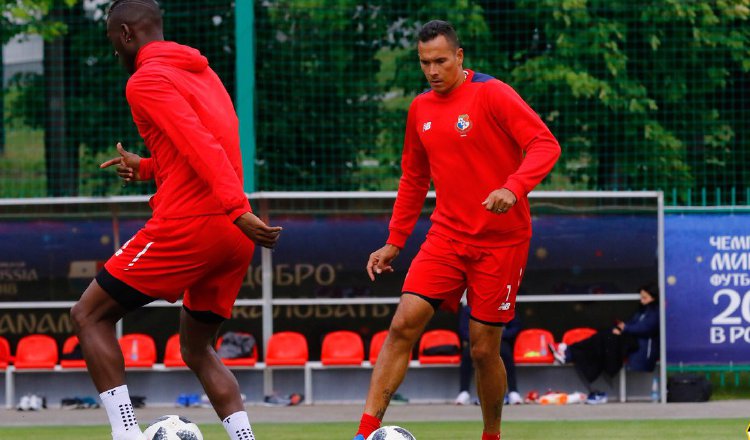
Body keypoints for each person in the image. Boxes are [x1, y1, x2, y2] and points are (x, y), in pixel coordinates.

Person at [69, 1, 282, 440]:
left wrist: (236, 207)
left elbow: (202, 146)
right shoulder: (202, 72)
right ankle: (245, 438)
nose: (113, 51)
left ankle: (127, 434)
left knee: (88, 315)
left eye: (112, 40)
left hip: (196, 223)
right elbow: (201, 145)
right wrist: (146, 167)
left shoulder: (144, 80)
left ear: (127, 34)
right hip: (231, 235)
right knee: (197, 346)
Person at [354, 20, 560, 440]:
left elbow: (545, 144)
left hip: (501, 242)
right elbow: (413, 178)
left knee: (483, 348)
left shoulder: (492, 94)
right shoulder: (420, 109)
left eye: (440, 61)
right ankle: (364, 432)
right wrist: (395, 241)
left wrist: (513, 187)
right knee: (402, 324)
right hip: (446, 236)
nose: (432, 70)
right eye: (424, 62)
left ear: (459, 57)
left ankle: (491, 435)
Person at [550, 284, 660, 400]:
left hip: (635, 345)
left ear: (653, 298)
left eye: (645, 298)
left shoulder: (654, 312)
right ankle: (569, 352)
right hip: (629, 341)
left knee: (603, 338)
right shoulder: (643, 311)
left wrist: (625, 328)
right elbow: (634, 324)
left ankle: (569, 352)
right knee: (602, 336)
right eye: (641, 297)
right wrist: (623, 327)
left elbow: (646, 328)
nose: (642, 300)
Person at [455, 303, 523, 406]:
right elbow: (463, 330)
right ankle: (464, 392)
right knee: (467, 354)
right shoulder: (468, 308)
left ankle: (513, 391)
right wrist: (478, 337)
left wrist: (498, 334)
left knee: (507, 353)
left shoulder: (504, 304)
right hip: (476, 340)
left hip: (500, 340)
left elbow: (515, 326)